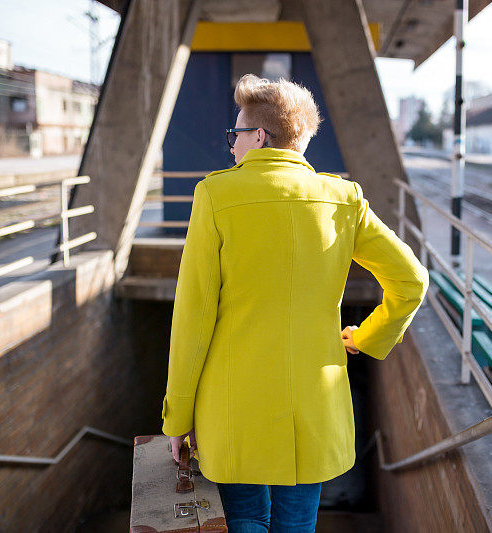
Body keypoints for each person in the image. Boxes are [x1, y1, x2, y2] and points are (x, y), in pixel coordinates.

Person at [161, 73, 429, 533]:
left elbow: (194, 317)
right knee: (297, 524)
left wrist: (177, 420)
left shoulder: (216, 195)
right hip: (312, 411)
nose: (231, 147)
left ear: (259, 136)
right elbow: (411, 282)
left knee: (244, 519)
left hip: (233, 410)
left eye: (236, 134)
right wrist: (366, 338)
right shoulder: (345, 200)